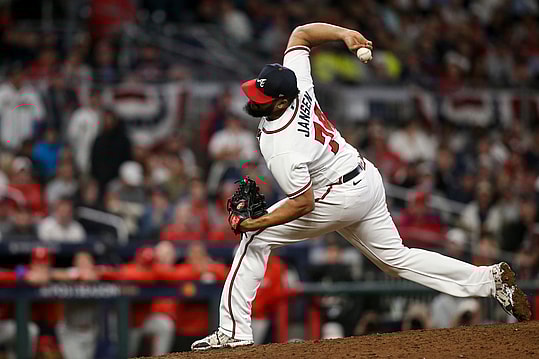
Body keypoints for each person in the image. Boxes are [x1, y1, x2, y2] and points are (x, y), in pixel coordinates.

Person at [192, 22, 531, 351]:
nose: (254, 98)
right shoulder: (300, 85)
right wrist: (344, 34)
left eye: (261, 96)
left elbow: (304, 203)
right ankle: (489, 280)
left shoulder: (282, 145)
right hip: (364, 177)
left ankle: (233, 332)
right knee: (396, 259)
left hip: (336, 195)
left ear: (281, 101)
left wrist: (255, 222)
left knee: (255, 238)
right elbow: (301, 35)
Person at [53, 252, 100, 359]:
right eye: (80, 263)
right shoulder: (70, 275)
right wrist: (76, 275)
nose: (84, 266)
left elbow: (111, 273)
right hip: (70, 331)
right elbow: (53, 273)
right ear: (75, 265)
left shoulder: (97, 275)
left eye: (86, 263)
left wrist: (94, 276)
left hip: (91, 331)